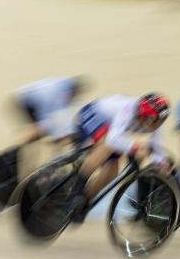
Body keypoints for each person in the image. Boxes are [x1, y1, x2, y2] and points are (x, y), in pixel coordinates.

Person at [67, 92, 171, 221]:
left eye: (161, 121)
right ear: (144, 116)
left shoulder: (157, 124)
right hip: (91, 114)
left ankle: (85, 201)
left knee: (113, 171)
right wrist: (136, 147)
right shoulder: (128, 109)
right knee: (107, 145)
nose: (157, 126)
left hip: (111, 128)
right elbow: (113, 140)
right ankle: (76, 190)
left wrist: (162, 163)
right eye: (154, 121)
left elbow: (157, 150)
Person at [12, 76, 88, 145]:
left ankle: (24, 142)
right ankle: (16, 148)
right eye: (75, 95)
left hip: (29, 97)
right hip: (26, 101)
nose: (74, 98)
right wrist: (59, 135)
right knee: (40, 129)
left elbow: (68, 113)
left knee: (50, 127)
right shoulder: (56, 94)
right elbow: (49, 116)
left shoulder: (64, 87)